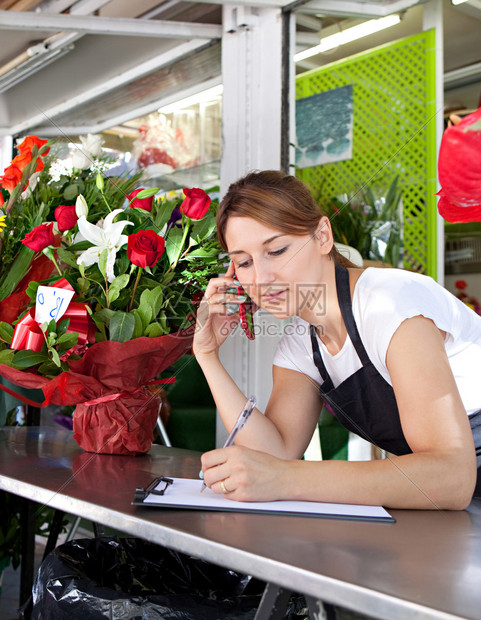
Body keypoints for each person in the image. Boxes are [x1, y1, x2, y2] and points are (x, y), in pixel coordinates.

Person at [194, 170, 481, 510]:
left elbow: (452, 477)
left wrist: (285, 477)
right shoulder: (301, 342)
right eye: (243, 262)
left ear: (322, 236)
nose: (261, 278)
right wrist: (207, 355)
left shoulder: (390, 302)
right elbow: (273, 454)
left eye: (277, 250)